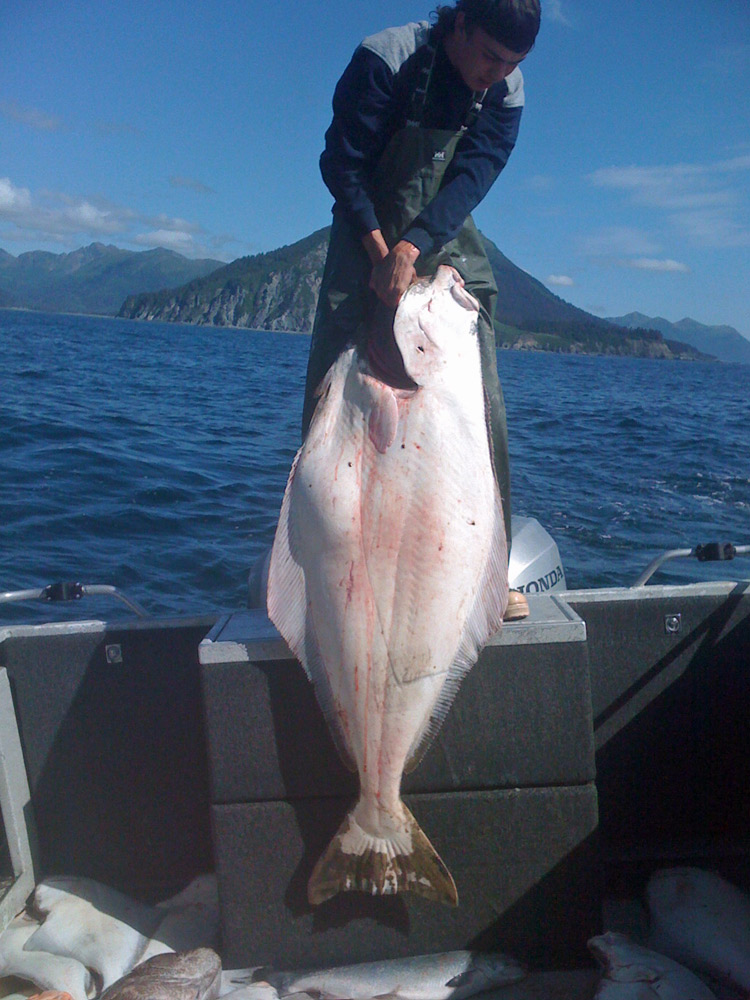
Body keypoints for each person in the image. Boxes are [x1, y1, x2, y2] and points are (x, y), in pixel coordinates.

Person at [303, 0, 541, 621]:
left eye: (512, 61)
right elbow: (342, 163)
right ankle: (320, 573)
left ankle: (486, 570)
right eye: (490, 54)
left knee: (479, 401)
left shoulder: (507, 90)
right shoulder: (386, 58)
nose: (497, 72)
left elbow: (470, 178)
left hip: (442, 232)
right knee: (334, 399)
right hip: (364, 230)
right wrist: (382, 251)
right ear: (459, 22)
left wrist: (413, 248)